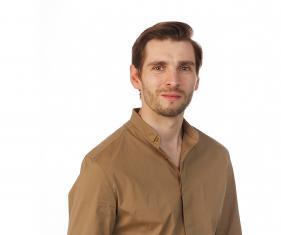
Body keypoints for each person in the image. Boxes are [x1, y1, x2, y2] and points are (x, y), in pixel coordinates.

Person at [67, 21, 242, 235]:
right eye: (159, 67)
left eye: (184, 68)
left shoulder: (217, 158)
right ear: (135, 77)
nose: (173, 80)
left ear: (196, 79)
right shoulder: (102, 167)